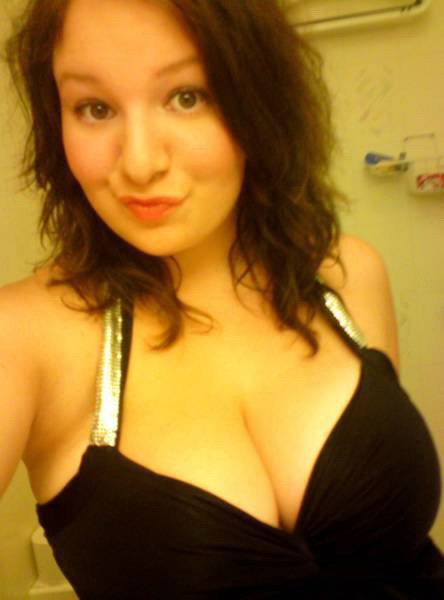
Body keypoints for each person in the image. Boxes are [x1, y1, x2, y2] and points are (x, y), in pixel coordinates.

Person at [1, 0, 443, 597]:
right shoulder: (23, 337)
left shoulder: (347, 274)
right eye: (95, 108)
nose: (140, 163)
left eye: (187, 96)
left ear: (258, 97)